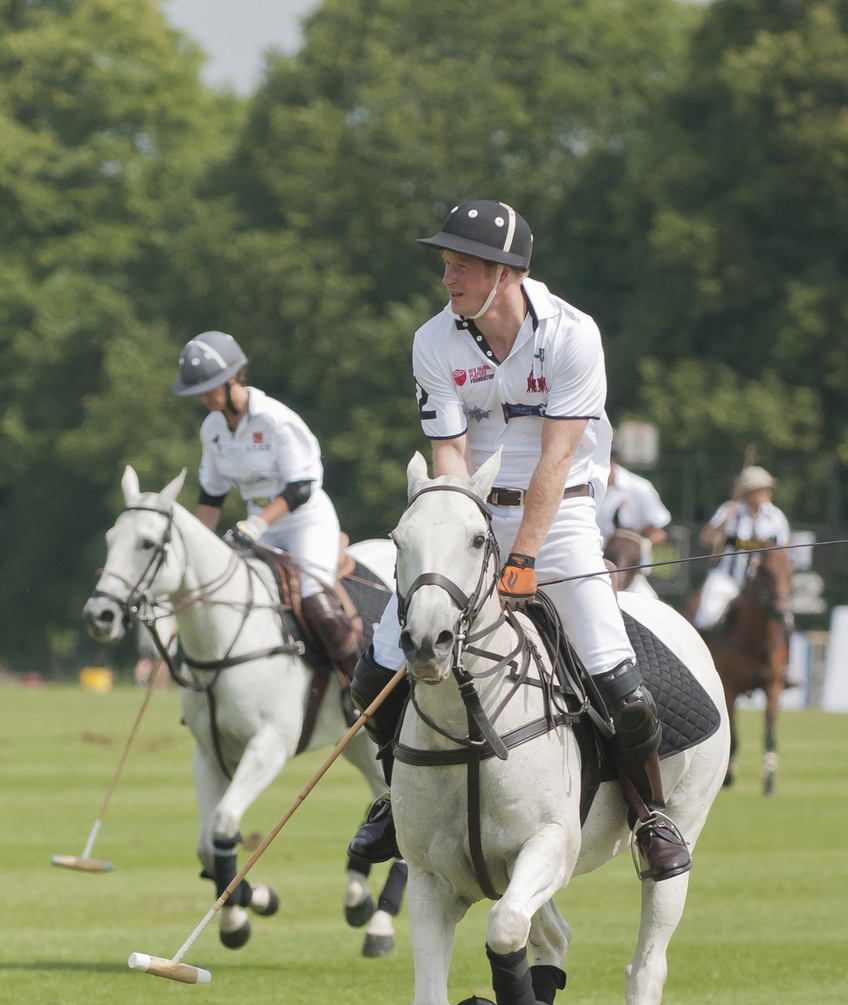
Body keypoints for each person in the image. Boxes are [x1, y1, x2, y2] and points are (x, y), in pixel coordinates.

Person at [347, 200, 691, 882]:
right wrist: (454, 534)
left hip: (559, 520)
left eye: (460, 266)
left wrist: (525, 557)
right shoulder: (434, 340)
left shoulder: (572, 334)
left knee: (622, 690)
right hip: (471, 518)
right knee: (377, 673)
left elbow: (556, 459)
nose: (447, 279)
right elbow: (449, 454)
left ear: (503, 273)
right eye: (446, 265)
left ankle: (650, 816)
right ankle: (394, 800)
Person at [171, 331, 359, 677]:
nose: (203, 398)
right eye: (197, 391)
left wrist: (257, 524)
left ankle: (360, 685)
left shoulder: (275, 419)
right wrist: (195, 547)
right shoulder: (212, 429)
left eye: (208, 388)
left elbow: (301, 487)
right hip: (257, 527)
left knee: (315, 601)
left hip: (305, 523)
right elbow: (212, 495)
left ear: (232, 379)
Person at [693, 466, 790, 630]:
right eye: (761, 489)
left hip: (761, 586)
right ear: (748, 492)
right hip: (728, 579)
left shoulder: (776, 517)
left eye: (768, 489)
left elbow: (783, 553)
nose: (767, 492)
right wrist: (723, 521)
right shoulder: (729, 510)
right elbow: (705, 539)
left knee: (785, 623)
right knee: (706, 619)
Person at [598, 441, 671, 597]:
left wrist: (643, 544)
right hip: (590, 569)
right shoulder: (581, 485)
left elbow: (661, 531)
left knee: (650, 604)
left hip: (630, 574)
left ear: (613, 458)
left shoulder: (639, 488)